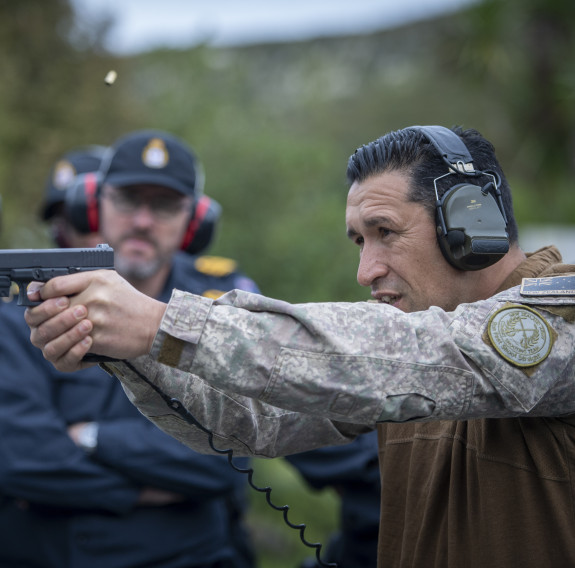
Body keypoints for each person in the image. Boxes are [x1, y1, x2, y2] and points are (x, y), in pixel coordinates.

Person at [25, 125, 575, 567]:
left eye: (386, 231)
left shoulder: (562, 319)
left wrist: (162, 324)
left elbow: (408, 357)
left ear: (471, 220)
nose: (366, 270)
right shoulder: (405, 351)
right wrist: (128, 347)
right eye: (360, 240)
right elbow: (253, 421)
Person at [0, 132, 260, 568]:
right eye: (126, 200)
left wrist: (87, 437)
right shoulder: (29, 306)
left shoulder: (224, 306)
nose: (142, 220)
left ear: (194, 222)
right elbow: (19, 459)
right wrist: (147, 489)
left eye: (163, 205)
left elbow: (222, 461)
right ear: (93, 205)